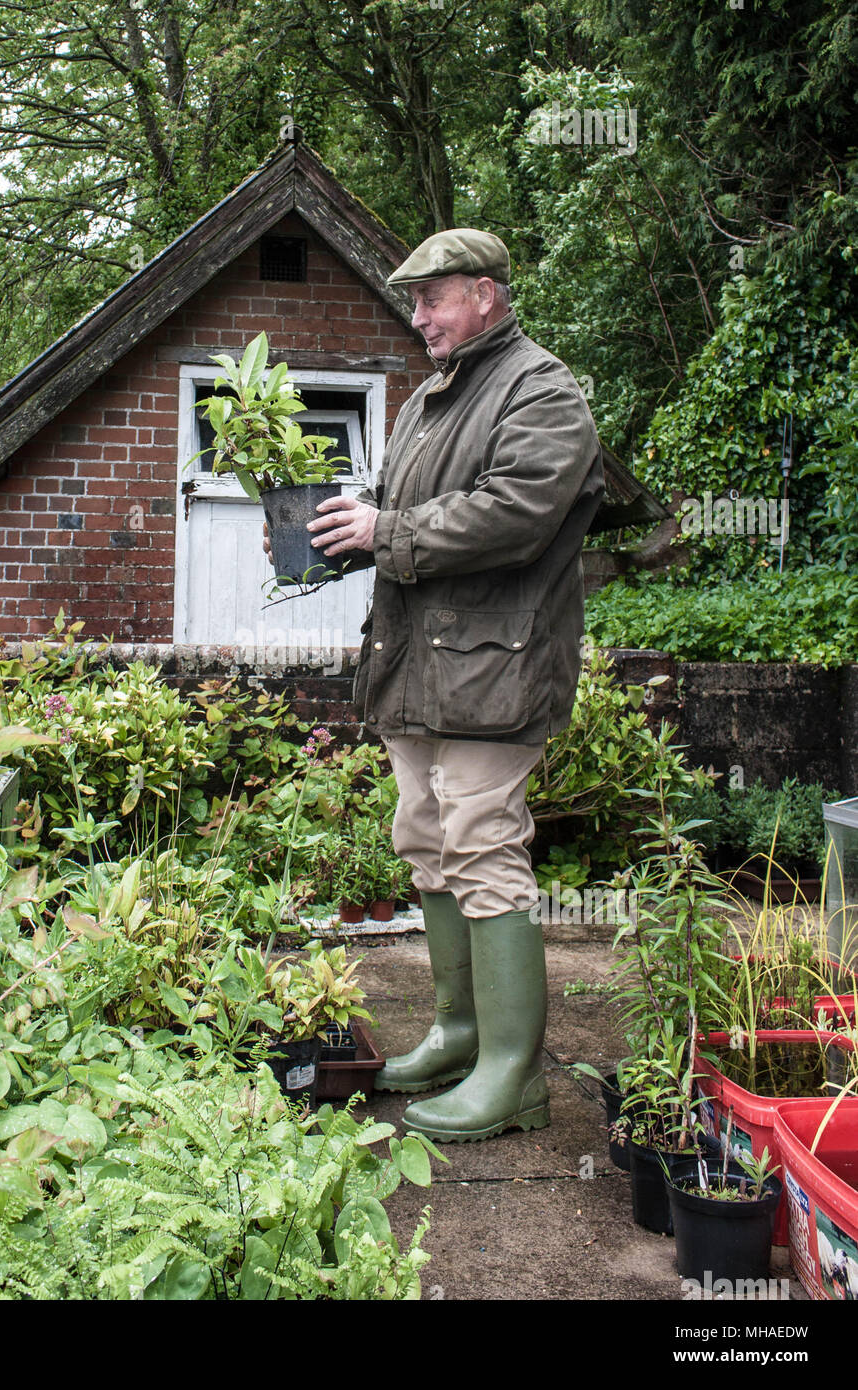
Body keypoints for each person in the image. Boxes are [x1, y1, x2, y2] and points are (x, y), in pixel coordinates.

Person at [293, 228, 604, 1143]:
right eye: (415, 302)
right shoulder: (428, 400)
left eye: (432, 299)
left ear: (485, 293)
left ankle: (514, 1075)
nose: (418, 317)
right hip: (414, 665)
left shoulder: (542, 390)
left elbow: (515, 513)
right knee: (426, 841)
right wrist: (349, 536)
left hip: (496, 670)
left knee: (480, 843)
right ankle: (459, 1033)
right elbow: (406, 520)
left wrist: (385, 530)